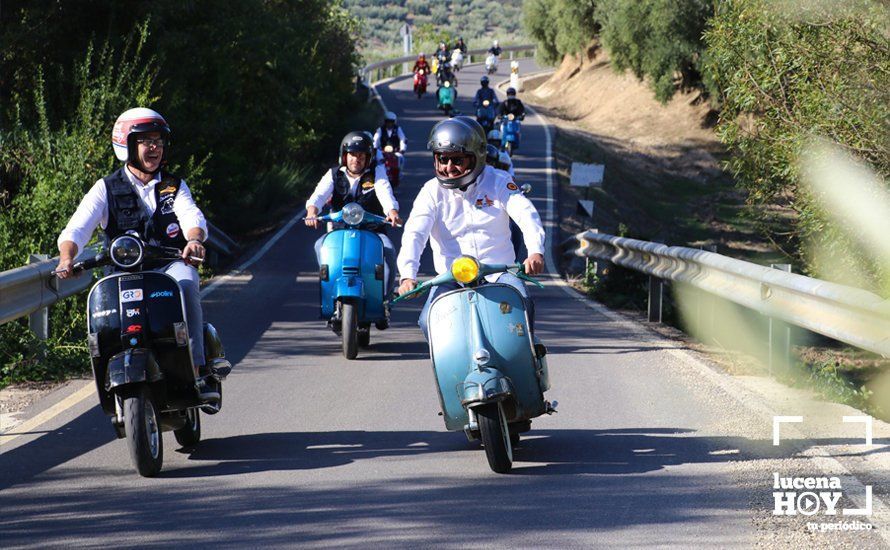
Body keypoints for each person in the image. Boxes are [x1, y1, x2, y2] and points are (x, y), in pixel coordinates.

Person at [55, 107, 217, 400]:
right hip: (122, 273)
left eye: (158, 140)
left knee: (187, 284)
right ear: (127, 145)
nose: (154, 147)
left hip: (168, 267)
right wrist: (67, 257)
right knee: (106, 323)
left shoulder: (174, 186)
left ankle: (197, 367)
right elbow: (75, 229)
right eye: (145, 141)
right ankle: (109, 372)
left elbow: (192, 217)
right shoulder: (105, 188)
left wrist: (193, 241)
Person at [396, 117, 545, 339]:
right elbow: (414, 233)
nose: (449, 167)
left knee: (522, 309)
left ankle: (530, 364)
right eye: (442, 159)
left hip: (499, 275)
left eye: (457, 160)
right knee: (428, 321)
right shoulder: (430, 191)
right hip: (450, 279)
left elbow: (525, 213)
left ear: (476, 157)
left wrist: (535, 251)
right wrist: (407, 275)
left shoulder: (499, 181)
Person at [305, 131, 401, 296]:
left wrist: (392, 212)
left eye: (361, 155)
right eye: (352, 154)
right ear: (344, 156)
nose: (356, 159)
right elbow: (319, 196)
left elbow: (385, 193)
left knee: (389, 250)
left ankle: (386, 298)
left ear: (368, 158)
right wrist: (312, 211)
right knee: (320, 246)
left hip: (373, 230)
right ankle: (329, 290)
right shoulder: (334, 174)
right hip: (339, 230)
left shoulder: (377, 172)